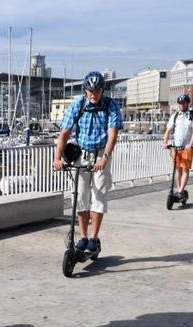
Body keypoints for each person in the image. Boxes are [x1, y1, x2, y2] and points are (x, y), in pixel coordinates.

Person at [52, 71, 123, 255]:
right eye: (90, 91)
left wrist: (105, 157)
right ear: (85, 90)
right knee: (80, 196)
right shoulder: (78, 104)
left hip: (101, 155)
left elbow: (113, 133)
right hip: (81, 154)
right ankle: (82, 237)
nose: (93, 94)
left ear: (102, 90)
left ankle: (93, 238)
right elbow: (64, 133)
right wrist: (57, 158)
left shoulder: (110, 105)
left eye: (97, 91)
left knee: (98, 196)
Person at [161, 94, 193, 201]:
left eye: (184, 103)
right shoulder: (175, 116)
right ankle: (179, 191)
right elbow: (168, 130)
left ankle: (180, 191)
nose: (182, 105)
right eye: (180, 103)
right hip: (176, 147)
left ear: (188, 103)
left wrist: (191, 144)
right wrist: (165, 142)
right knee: (177, 169)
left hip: (187, 147)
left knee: (185, 169)